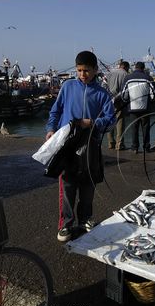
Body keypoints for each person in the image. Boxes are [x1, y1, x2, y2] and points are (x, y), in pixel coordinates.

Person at [45, 50, 115, 242]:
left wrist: (91, 123)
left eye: (86, 71)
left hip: (91, 146)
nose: (82, 74)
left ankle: (85, 219)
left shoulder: (102, 94)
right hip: (66, 145)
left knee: (88, 184)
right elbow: (56, 111)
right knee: (67, 186)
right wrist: (51, 128)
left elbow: (111, 120)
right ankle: (65, 224)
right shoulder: (67, 87)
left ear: (95, 70)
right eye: (79, 70)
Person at [121, 61, 155, 154]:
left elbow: (124, 95)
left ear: (135, 67)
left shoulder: (128, 78)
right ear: (143, 68)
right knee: (145, 128)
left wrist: (126, 102)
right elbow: (154, 95)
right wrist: (151, 102)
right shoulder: (148, 78)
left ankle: (134, 147)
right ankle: (146, 147)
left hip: (133, 108)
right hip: (145, 108)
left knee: (134, 128)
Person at [105, 61, 130, 150]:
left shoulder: (110, 73)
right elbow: (126, 90)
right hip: (119, 100)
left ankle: (110, 142)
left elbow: (104, 85)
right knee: (120, 121)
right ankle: (119, 144)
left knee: (110, 120)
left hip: (109, 99)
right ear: (126, 67)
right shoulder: (126, 74)